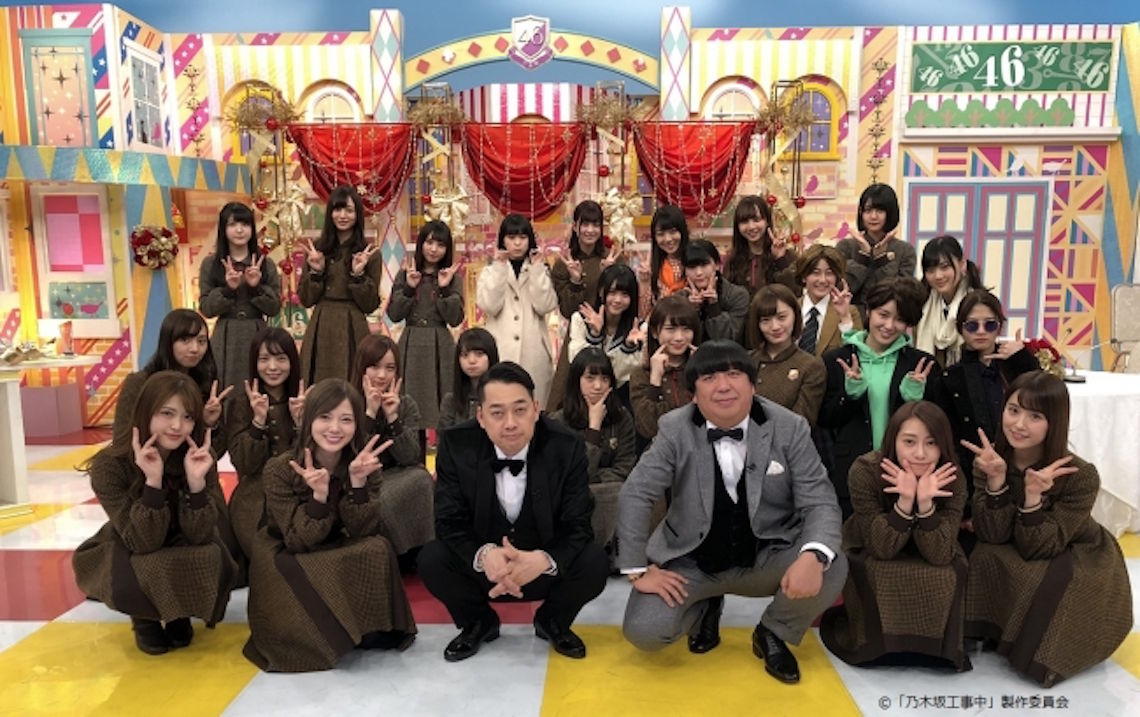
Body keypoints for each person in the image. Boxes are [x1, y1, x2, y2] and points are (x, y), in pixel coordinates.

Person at [618, 340, 846, 684]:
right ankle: (705, 607)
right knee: (644, 631)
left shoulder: (790, 427)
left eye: (734, 374)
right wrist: (637, 569)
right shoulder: (674, 428)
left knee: (830, 563)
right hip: (692, 560)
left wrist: (813, 556)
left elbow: (820, 500)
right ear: (694, 394)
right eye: (709, 378)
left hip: (767, 554)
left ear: (753, 385)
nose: (723, 386)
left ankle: (773, 631)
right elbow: (637, 492)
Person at [418, 362, 608, 662]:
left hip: (541, 568)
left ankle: (552, 620)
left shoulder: (567, 446)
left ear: (536, 409)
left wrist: (543, 560)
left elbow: (578, 524)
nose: (510, 423)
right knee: (432, 559)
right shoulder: (456, 444)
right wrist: (484, 555)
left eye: (520, 410)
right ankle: (478, 622)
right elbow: (448, 520)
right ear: (481, 417)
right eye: (497, 413)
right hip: (485, 571)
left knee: (595, 561)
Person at [963, 372, 1132, 686]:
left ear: (1054, 421)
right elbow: (992, 535)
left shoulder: (1080, 475)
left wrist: (1032, 498)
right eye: (1013, 410)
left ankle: (1034, 650)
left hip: (1076, 548)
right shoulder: (990, 461)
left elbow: (1039, 547)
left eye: (1035, 416)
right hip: (1016, 538)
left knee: (1046, 582)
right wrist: (996, 481)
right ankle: (993, 631)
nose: (1019, 424)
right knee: (984, 555)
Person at [243, 379, 417, 672]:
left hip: (338, 539)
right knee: (313, 565)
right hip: (288, 547)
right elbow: (298, 540)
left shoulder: (364, 464)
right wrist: (319, 498)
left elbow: (364, 530)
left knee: (378, 548)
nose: (335, 428)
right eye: (325, 417)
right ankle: (322, 635)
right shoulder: (280, 468)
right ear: (308, 419)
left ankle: (367, 627)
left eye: (346, 419)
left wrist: (358, 484)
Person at [73, 371, 237, 655]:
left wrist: (196, 485)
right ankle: (144, 618)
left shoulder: (198, 457)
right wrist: (153, 483)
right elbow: (142, 541)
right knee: (147, 561)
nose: (177, 426)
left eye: (187, 417)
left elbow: (201, 535)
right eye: (167, 413)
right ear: (145, 412)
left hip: (180, 535)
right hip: (129, 539)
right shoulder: (110, 466)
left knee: (211, 554)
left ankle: (178, 611)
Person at [819, 401, 969, 671]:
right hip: (872, 542)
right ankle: (876, 646)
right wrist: (904, 502)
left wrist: (925, 505)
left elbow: (939, 555)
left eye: (932, 443)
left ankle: (934, 649)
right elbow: (881, 548)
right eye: (909, 442)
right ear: (893, 440)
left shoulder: (952, 477)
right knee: (879, 570)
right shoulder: (865, 470)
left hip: (933, 544)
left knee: (948, 571)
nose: (920, 453)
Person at [926, 290, 1040, 541]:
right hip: (975, 476)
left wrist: (1023, 359)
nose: (981, 332)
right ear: (960, 328)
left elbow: (1044, 401)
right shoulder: (949, 378)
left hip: (1023, 471)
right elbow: (950, 445)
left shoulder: (1017, 366)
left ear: (999, 327)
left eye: (989, 325)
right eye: (972, 325)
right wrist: (965, 507)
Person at [818, 278, 935, 518]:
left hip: (905, 473)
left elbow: (936, 427)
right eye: (883, 314)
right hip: (850, 470)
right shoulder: (837, 360)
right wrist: (850, 395)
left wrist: (914, 402)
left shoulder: (921, 364)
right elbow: (826, 419)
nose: (889, 325)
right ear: (869, 311)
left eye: (900, 319)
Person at [548, 348, 637, 565]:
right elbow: (568, 478)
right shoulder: (558, 422)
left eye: (604, 379)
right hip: (569, 499)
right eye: (590, 378)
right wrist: (593, 429)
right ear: (576, 381)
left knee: (622, 491)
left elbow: (625, 468)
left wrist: (592, 479)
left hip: (611, 492)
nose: (598, 386)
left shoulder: (621, 417)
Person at [350, 334, 435, 559]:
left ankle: (421, 550)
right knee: (384, 499)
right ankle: (396, 556)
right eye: (374, 367)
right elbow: (351, 455)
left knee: (421, 478)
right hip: (360, 479)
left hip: (397, 473)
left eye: (389, 368)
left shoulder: (406, 403)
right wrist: (370, 413)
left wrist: (392, 418)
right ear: (361, 367)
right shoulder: (348, 401)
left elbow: (410, 457)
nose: (382, 375)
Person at [226, 328, 305, 567]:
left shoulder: (305, 399)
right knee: (269, 557)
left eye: (281, 358)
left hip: (300, 491)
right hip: (255, 497)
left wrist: (301, 424)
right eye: (264, 359)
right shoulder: (241, 403)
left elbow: (317, 458)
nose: (272, 367)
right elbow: (244, 464)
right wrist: (258, 422)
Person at [112, 309, 232, 458]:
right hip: (143, 464)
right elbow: (121, 440)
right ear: (168, 342)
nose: (195, 349)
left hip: (189, 469)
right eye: (185, 340)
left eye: (201, 341)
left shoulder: (207, 386)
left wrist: (208, 424)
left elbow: (215, 453)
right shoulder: (140, 383)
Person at [297, 184, 382, 385]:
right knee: (319, 386)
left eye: (349, 210)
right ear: (330, 213)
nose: (342, 216)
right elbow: (306, 299)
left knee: (353, 385)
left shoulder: (369, 253)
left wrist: (358, 274)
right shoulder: (317, 250)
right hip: (322, 323)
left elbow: (370, 305)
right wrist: (317, 271)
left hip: (354, 325)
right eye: (337, 209)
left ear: (358, 214)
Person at [386, 219, 465, 429]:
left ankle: (444, 450)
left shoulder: (453, 278)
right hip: (410, 344)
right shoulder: (405, 274)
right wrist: (409, 288)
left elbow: (455, 319)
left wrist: (444, 288)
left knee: (444, 408)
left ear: (447, 249)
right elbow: (394, 314)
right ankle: (412, 450)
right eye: (429, 242)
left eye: (440, 244)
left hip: (441, 346)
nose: (434, 249)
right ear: (421, 243)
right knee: (409, 410)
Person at [476, 213, 559, 405]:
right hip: (501, 350)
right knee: (500, 407)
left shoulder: (541, 269)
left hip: (534, 353)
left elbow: (545, 306)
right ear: (502, 240)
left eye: (522, 237)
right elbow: (490, 306)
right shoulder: (490, 271)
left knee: (534, 408)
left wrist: (537, 270)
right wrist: (499, 268)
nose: (517, 243)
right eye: (511, 237)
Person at [198, 201, 281, 392]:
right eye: (232, 224)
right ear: (223, 229)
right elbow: (206, 309)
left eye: (245, 224)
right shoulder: (211, 264)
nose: (239, 230)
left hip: (257, 331)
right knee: (224, 387)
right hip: (225, 335)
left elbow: (274, 308)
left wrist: (255, 288)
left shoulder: (265, 264)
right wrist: (228, 289)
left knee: (258, 386)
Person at [547, 200, 621, 412]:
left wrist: (610, 275)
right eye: (585, 224)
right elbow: (567, 311)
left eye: (595, 224)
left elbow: (622, 299)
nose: (590, 230)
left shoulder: (612, 258)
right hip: (578, 335)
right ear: (575, 226)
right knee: (567, 395)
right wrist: (575, 280)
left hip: (610, 333)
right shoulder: (564, 263)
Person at [565, 264, 644, 409]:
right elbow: (577, 363)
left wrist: (628, 347)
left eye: (625, 295)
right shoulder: (581, 319)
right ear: (601, 291)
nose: (618, 300)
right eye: (612, 292)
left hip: (621, 401)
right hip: (582, 399)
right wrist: (594, 336)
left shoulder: (638, 329)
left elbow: (620, 376)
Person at [746, 285, 826, 425]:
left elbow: (801, 422)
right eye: (766, 320)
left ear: (795, 315)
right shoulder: (746, 360)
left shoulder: (811, 366)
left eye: (782, 317)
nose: (775, 326)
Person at [628, 295, 700, 445]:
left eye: (686, 329)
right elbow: (647, 429)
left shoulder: (705, 369)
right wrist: (655, 380)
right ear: (655, 332)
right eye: (670, 329)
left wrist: (700, 375)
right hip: (661, 452)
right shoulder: (641, 375)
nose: (679, 337)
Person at [836, 184, 916, 315]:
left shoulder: (905, 250)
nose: (873, 216)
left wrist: (881, 260)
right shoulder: (845, 247)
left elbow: (902, 295)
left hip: (889, 320)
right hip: (850, 318)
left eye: (879, 211)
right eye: (868, 210)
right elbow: (841, 289)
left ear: (890, 213)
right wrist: (863, 256)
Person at [913, 235, 984, 367]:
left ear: (962, 265)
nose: (938, 276)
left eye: (944, 267)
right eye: (931, 270)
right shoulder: (922, 305)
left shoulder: (978, 305)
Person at [722, 195, 798, 298]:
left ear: (767, 221)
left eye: (756, 220)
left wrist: (780, 260)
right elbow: (726, 298)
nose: (751, 227)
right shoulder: (733, 260)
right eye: (744, 222)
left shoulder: (788, 255)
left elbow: (795, 293)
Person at [795, 243, 861, 358]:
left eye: (829, 273)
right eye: (816, 273)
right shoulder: (791, 309)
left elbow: (857, 353)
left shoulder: (850, 312)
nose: (823, 280)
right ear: (804, 277)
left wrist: (845, 318)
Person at [680, 239, 750, 345]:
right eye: (692, 267)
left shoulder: (737, 295)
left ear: (717, 265)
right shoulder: (680, 299)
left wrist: (714, 307)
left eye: (704, 265)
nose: (699, 273)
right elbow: (681, 340)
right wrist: (691, 311)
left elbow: (728, 340)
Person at [439, 327, 499, 430]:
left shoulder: (503, 397)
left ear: (491, 356)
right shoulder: (451, 401)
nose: (471, 361)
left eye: (479, 354)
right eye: (465, 355)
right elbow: (444, 437)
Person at [637, 204, 690, 317]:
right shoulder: (651, 267)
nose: (668, 239)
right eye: (661, 234)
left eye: (673, 232)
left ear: (683, 231)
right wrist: (644, 282)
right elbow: (644, 313)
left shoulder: (695, 262)